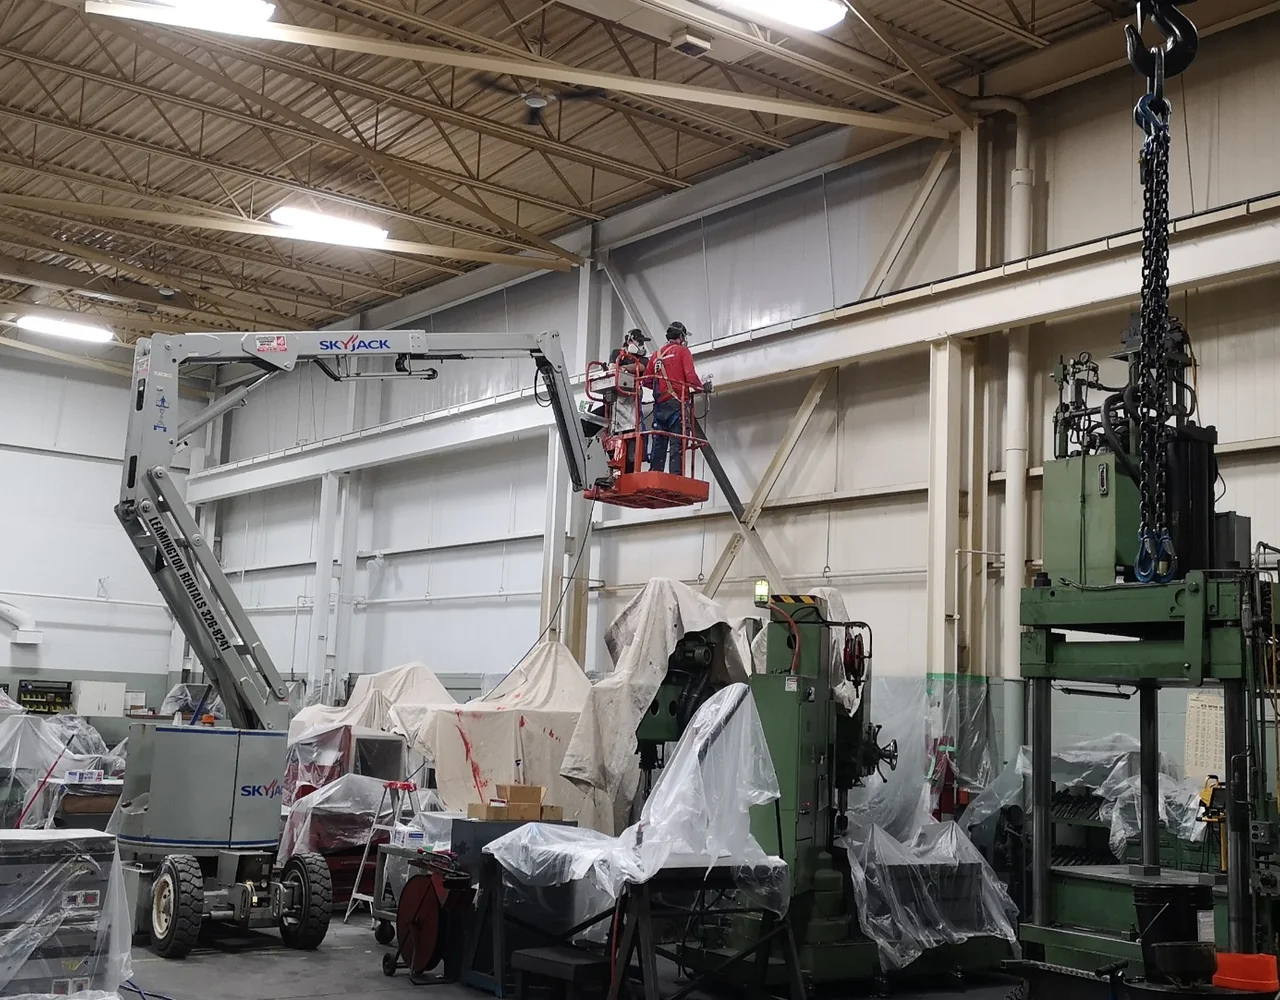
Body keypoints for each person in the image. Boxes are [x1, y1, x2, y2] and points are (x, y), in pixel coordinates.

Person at [644, 321, 704, 475]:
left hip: (659, 406)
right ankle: (675, 476)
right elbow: (690, 376)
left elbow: (646, 381)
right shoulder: (683, 351)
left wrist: (662, 387)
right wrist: (702, 387)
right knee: (677, 442)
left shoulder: (656, 355)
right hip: (677, 405)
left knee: (659, 441)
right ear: (681, 337)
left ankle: (655, 473)